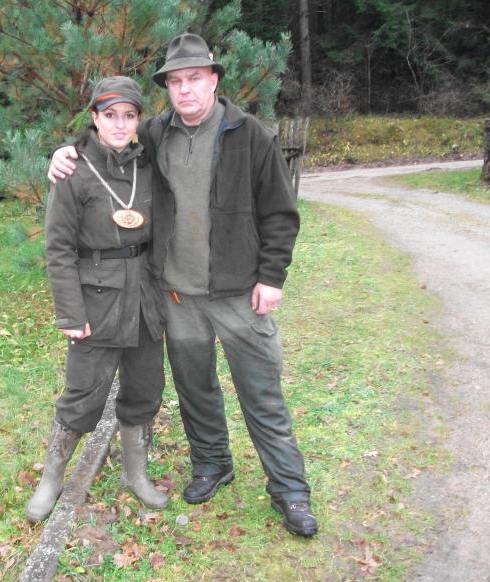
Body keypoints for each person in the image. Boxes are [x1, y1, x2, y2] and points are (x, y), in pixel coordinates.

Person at [48, 34, 318, 537]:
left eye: (194, 78)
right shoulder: (155, 134)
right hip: (176, 296)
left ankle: (290, 489)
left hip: (239, 294)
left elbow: (281, 214)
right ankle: (212, 464)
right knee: (196, 390)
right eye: (175, 81)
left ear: (213, 80)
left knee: (261, 393)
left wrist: (272, 276)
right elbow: (107, 144)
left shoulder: (251, 136)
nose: (185, 89)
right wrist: (65, 152)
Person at [27, 76, 168, 523]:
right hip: (96, 301)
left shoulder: (150, 165)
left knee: (144, 389)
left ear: (139, 120)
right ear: (95, 118)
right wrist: (70, 312)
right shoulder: (73, 169)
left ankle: (136, 473)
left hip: (145, 299)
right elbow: (58, 248)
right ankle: (51, 478)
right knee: (83, 394)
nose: (120, 124)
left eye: (129, 115)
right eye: (110, 115)